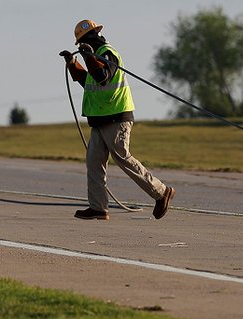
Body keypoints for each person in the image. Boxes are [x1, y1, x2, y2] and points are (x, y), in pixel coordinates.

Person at [62, 19, 175, 221]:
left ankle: (161, 192)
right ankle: (98, 208)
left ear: (95, 36)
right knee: (94, 162)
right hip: (99, 119)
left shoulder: (107, 53)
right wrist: (72, 64)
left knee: (122, 158)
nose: (84, 45)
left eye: (86, 40)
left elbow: (102, 76)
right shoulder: (93, 55)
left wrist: (88, 57)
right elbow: (86, 79)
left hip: (116, 117)